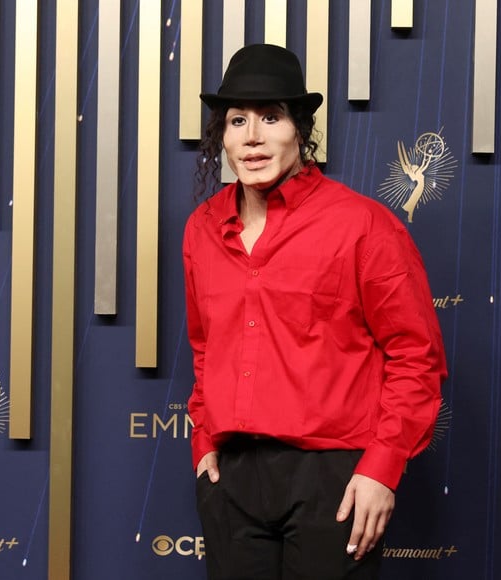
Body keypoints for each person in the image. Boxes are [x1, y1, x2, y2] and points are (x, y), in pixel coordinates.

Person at [183, 44, 447, 580]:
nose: (253, 136)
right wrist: (204, 440)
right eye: (237, 120)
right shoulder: (201, 229)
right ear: (223, 137)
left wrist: (382, 468)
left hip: (335, 477)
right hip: (231, 476)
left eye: (271, 117)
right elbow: (206, 344)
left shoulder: (363, 226)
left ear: (300, 130)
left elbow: (415, 356)